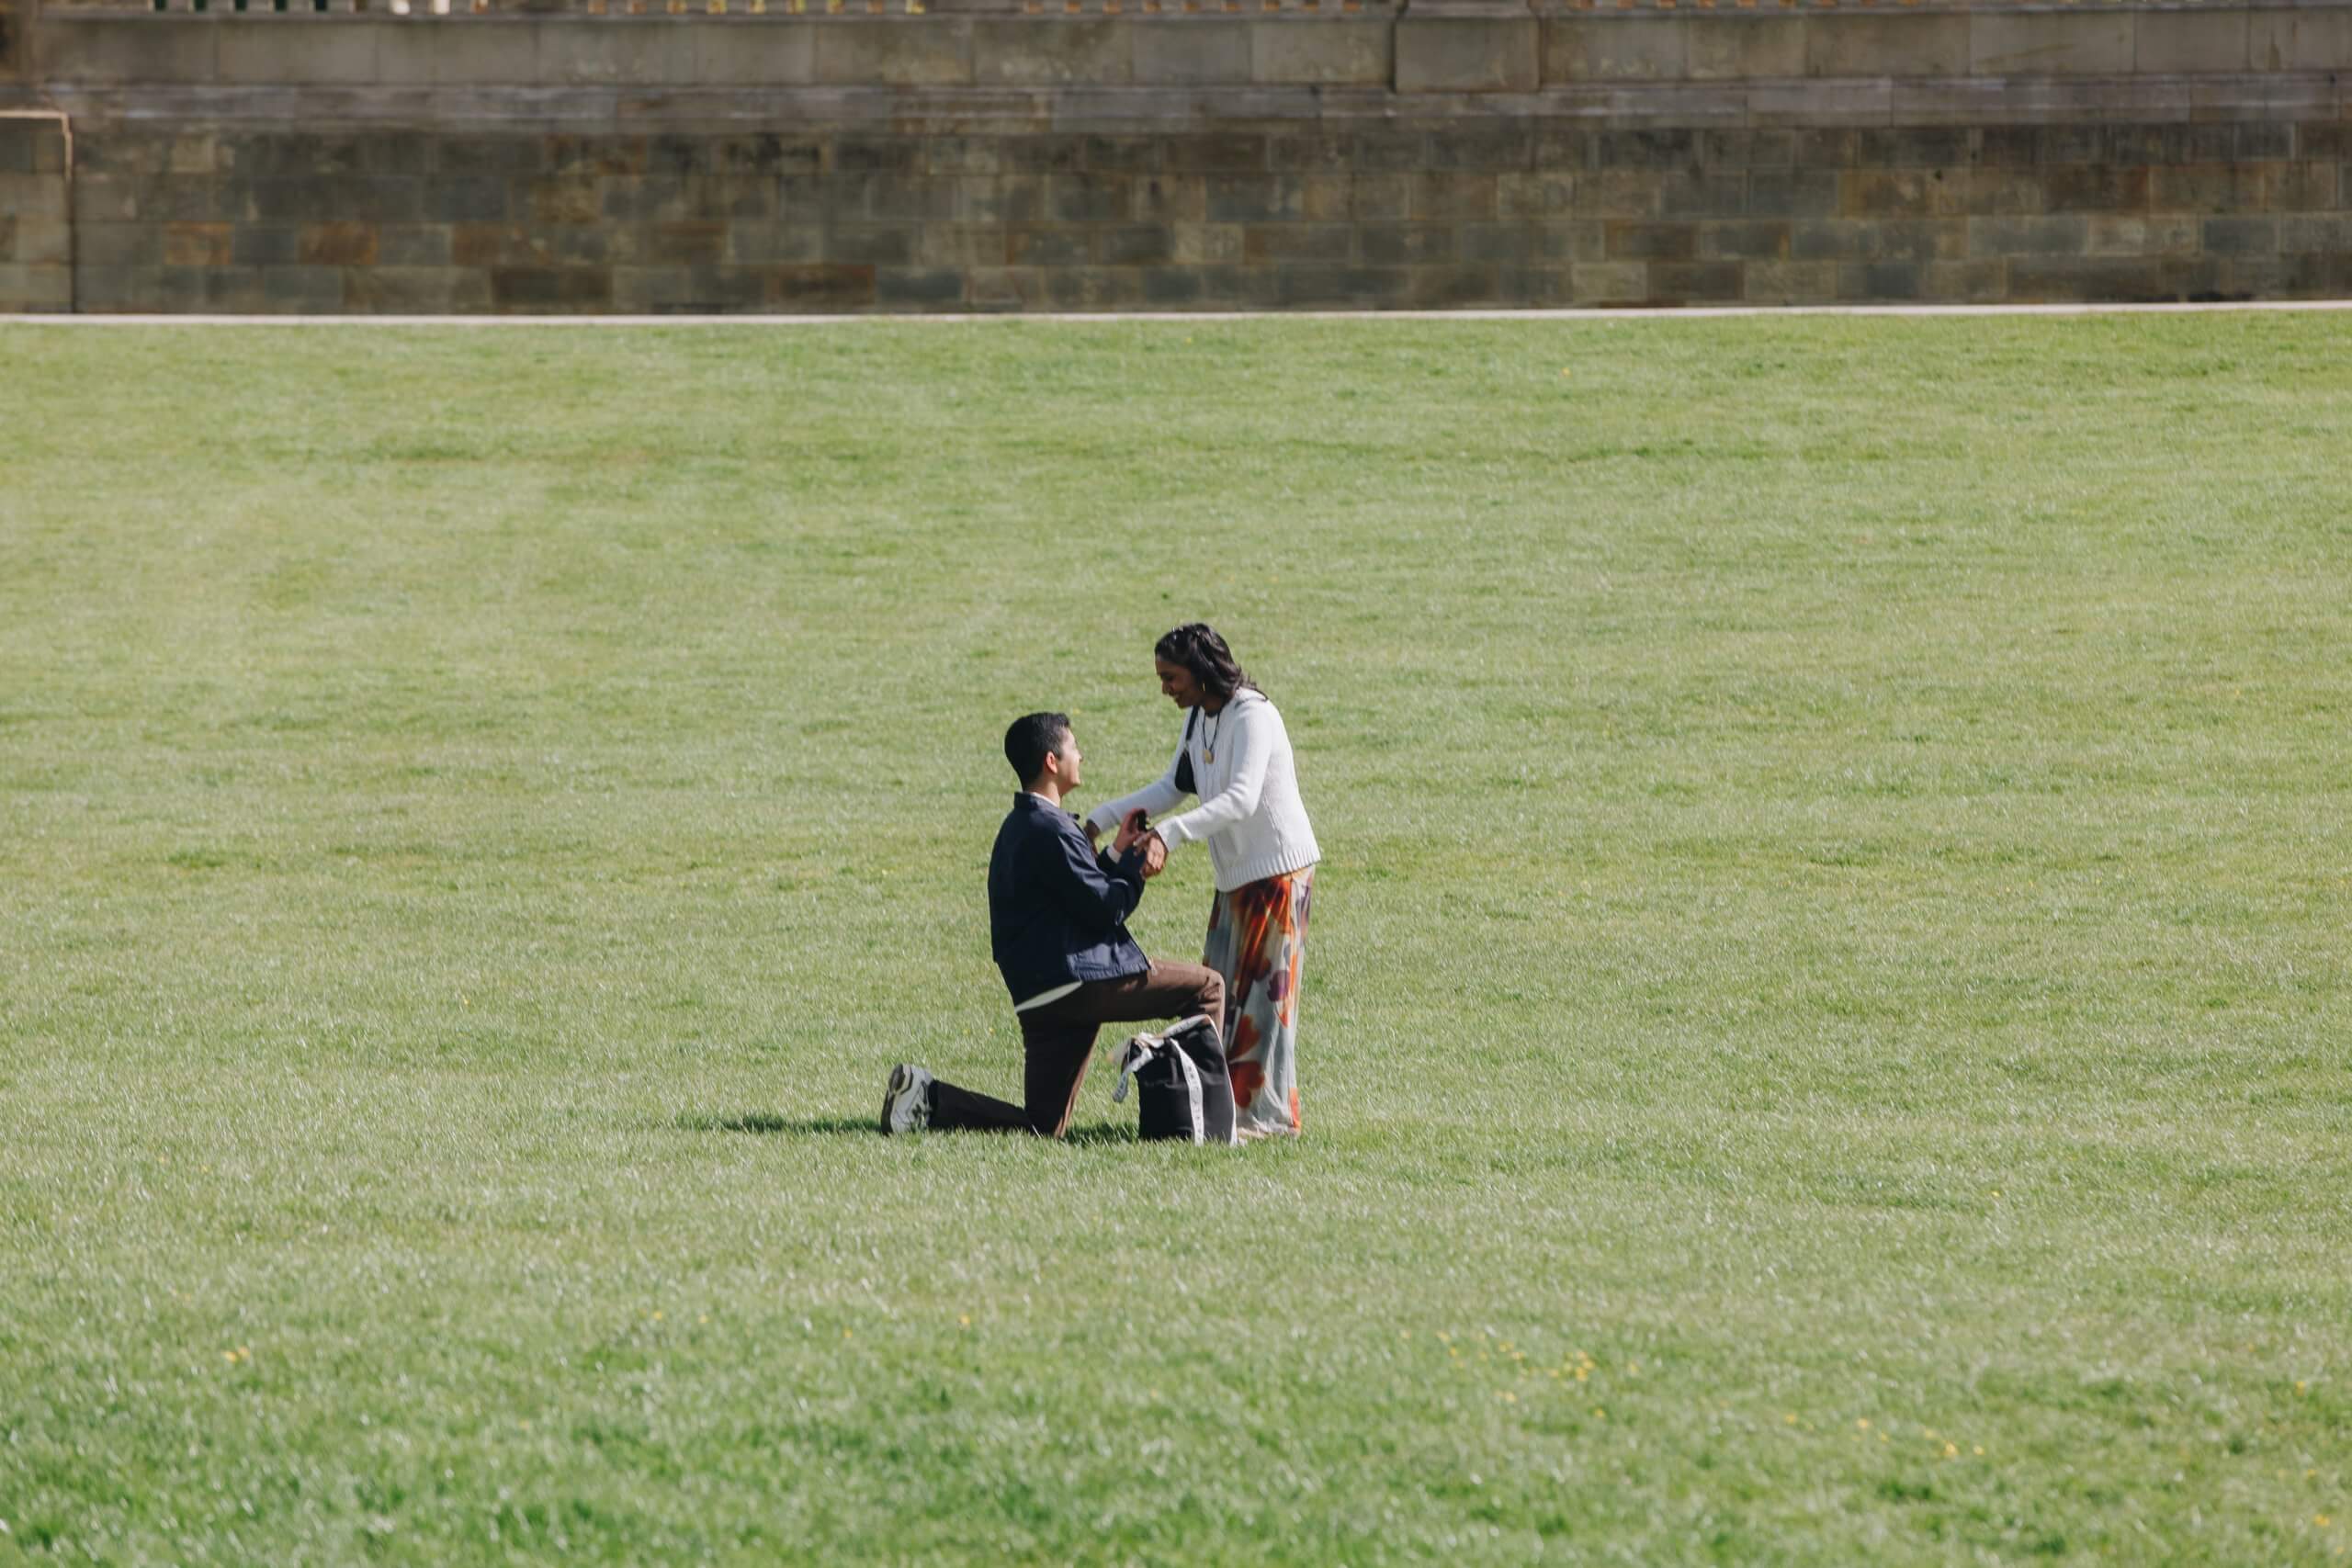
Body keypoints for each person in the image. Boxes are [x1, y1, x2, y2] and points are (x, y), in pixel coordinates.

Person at [879, 711, 1226, 1138]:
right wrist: (1138, 865)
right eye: (1074, 748)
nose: (1081, 756)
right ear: (1051, 761)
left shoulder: (1021, 826)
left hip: (1039, 996)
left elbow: (1078, 893)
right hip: (1077, 985)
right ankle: (1204, 1123)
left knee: (1043, 1126)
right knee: (1207, 987)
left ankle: (926, 1098)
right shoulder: (1051, 828)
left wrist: (1117, 853)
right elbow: (1106, 909)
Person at [1084, 625, 1319, 1139]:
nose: (1165, 689)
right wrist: (1100, 818)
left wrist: (1168, 835)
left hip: (1278, 873)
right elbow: (1172, 787)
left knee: (1265, 1005)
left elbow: (1242, 798)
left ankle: (1269, 1119)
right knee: (1222, 994)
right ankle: (1226, 1110)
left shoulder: (1253, 715)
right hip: (1236, 877)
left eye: (1171, 677)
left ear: (1202, 671)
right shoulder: (1200, 717)